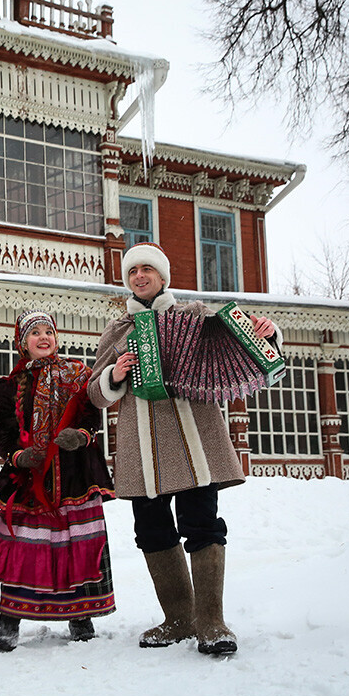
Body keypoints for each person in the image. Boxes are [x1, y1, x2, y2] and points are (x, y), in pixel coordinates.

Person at [87, 242, 279, 656]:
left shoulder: (195, 316)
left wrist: (266, 332)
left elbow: (247, 343)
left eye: (147, 270)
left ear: (162, 277)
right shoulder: (117, 330)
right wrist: (114, 375)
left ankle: (211, 621)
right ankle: (178, 618)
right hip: (143, 447)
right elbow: (95, 393)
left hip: (195, 441)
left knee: (202, 524)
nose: (140, 276)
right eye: (133, 270)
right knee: (151, 531)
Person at [0, 310, 116, 651]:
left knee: (75, 544)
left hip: (75, 474)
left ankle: (80, 615)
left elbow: (90, 414)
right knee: (24, 546)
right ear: (23, 343)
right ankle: (10, 619)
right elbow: (4, 432)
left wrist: (80, 436)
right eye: (34, 333)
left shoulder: (79, 373)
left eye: (47, 331)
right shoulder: (11, 386)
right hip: (30, 478)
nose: (43, 338)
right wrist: (18, 456)